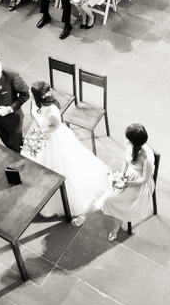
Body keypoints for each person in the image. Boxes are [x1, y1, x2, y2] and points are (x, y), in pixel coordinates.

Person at [23, 83, 110, 217]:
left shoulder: (52, 110)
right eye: (47, 91)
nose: (51, 92)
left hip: (53, 137)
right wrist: (36, 132)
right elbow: (34, 115)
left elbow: (56, 126)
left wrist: (41, 132)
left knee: (64, 165)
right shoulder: (34, 100)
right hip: (39, 133)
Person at [73, 124, 156, 241]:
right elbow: (125, 160)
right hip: (128, 176)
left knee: (111, 199)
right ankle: (85, 216)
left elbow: (145, 179)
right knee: (108, 196)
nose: (124, 137)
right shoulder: (130, 145)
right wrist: (122, 174)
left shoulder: (147, 156)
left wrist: (127, 184)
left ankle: (113, 227)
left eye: (127, 136)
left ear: (134, 140)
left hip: (138, 184)